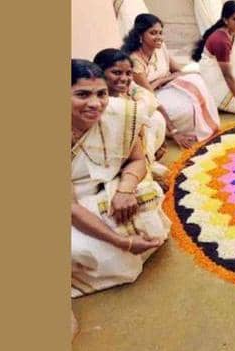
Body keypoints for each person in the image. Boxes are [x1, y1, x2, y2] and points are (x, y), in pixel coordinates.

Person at [71, 59, 170, 297]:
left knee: (148, 195)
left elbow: (137, 160)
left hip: (107, 187)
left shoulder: (118, 113)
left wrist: (125, 189)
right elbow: (70, 207)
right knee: (78, 250)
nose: (95, 104)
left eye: (101, 94)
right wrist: (124, 242)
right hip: (73, 203)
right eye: (82, 95)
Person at [122, 13, 220, 148]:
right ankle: (171, 131)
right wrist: (174, 132)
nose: (159, 37)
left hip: (166, 87)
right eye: (153, 33)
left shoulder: (160, 47)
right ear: (140, 35)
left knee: (196, 78)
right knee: (186, 108)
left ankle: (204, 126)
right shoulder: (135, 60)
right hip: (149, 98)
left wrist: (164, 80)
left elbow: (178, 71)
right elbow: (150, 97)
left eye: (160, 33)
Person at [93, 48, 170, 178]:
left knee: (154, 117)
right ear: (99, 73)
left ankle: (146, 161)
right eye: (116, 72)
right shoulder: (96, 101)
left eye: (128, 73)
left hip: (134, 150)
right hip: (105, 157)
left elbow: (150, 99)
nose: (124, 78)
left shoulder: (128, 90)